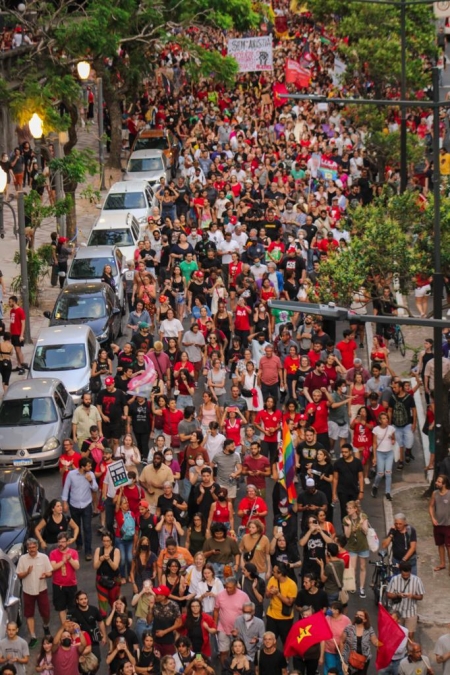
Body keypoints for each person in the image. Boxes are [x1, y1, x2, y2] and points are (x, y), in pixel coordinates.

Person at [16, 539, 53, 648]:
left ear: (37, 547)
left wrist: (46, 575)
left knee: (46, 613)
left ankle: (46, 626)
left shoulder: (44, 557)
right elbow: (19, 575)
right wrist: (27, 572)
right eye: (29, 548)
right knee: (29, 614)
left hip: (42, 589)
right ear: (27, 548)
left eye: (33, 547)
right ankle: (33, 636)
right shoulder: (23, 559)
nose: (31, 549)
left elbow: (50, 572)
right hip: (28, 590)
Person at [61, 457, 98, 561]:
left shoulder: (90, 474)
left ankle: (88, 551)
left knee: (87, 528)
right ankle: (79, 544)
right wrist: (64, 503)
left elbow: (95, 488)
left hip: (86, 505)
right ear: (82, 467)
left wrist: (90, 481)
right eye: (88, 466)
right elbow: (66, 488)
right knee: (76, 527)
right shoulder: (71, 474)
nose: (90, 467)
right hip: (74, 505)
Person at [213, 577, 249, 665]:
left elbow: (248, 612)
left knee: (239, 652)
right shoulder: (220, 595)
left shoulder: (243, 596)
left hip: (239, 630)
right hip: (223, 628)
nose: (228, 589)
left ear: (236, 586)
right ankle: (225, 671)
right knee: (223, 652)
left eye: (230, 588)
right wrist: (215, 625)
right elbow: (216, 610)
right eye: (226, 587)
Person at [386, 562, 425, 639]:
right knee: (396, 635)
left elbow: (420, 597)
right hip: (397, 611)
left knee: (410, 636)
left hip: (411, 611)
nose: (406, 577)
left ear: (410, 572)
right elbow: (388, 594)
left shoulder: (417, 580)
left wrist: (412, 596)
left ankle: (410, 650)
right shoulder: (394, 579)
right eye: (404, 575)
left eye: (407, 575)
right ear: (400, 572)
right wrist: (397, 595)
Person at [49, 532, 80, 623]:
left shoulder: (73, 553)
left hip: (71, 584)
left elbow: (77, 567)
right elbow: (53, 567)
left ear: (67, 542)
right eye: (59, 542)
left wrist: (70, 559)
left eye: (63, 542)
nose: (60, 544)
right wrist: (62, 561)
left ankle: (70, 623)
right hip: (58, 585)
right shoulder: (53, 553)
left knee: (72, 607)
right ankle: (64, 627)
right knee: (61, 608)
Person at [70, 590, 107, 665]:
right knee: (82, 662)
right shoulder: (74, 613)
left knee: (97, 660)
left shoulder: (94, 609)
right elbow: (72, 628)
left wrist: (104, 636)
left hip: (93, 639)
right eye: (81, 599)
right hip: (82, 641)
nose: (84, 601)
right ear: (77, 601)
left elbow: (100, 622)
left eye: (85, 598)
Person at [343, 500, 369, 599]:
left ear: (355, 509)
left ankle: (361, 588)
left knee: (362, 567)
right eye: (347, 508)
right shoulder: (346, 519)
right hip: (352, 547)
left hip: (363, 546)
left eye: (350, 508)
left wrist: (362, 524)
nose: (348, 510)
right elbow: (347, 535)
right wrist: (349, 525)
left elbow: (366, 532)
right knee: (352, 568)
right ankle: (353, 583)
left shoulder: (363, 516)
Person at [388, 379, 416, 470]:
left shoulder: (409, 397)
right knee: (399, 444)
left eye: (395, 387)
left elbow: (414, 410)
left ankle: (407, 452)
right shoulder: (392, 398)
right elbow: (390, 411)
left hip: (407, 424)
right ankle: (401, 461)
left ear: (400, 388)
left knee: (409, 443)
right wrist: (389, 425)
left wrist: (414, 423)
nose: (394, 389)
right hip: (396, 425)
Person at [265, 563, 297, 643]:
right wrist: (270, 593)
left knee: (286, 642)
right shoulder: (272, 579)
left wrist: (278, 594)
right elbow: (267, 596)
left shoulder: (292, 585)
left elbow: (289, 603)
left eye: (274, 572)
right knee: (270, 641)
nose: (272, 573)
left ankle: (286, 656)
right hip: (271, 616)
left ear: (280, 574)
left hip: (285, 619)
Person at [332, 444, 364, 520]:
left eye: (346, 452)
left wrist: (361, 491)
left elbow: (360, 477)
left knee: (355, 510)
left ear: (350, 452)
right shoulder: (337, 463)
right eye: (342, 452)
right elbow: (335, 479)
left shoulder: (357, 462)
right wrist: (333, 493)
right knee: (344, 511)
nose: (344, 454)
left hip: (354, 490)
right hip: (342, 491)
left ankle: (354, 529)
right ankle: (345, 530)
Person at [146, 585, 181, 656]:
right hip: (155, 639)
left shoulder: (174, 605)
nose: (155, 595)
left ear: (163, 596)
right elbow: (149, 621)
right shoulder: (154, 604)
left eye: (157, 594)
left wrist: (164, 632)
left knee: (168, 661)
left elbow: (179, 623)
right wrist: (150, 608)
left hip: (169, 640)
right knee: (155, 661)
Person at [93, 531, 121, 618]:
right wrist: (100, 560)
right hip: (101, 579)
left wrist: (108, 559)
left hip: (114, 579)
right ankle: (104, 621)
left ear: (111, 541)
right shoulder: (98, 550)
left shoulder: (116, 551)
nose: (106, 543)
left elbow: (115, 567)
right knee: (102, 603)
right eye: (104, 541)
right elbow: (95, 566)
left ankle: (117, 620)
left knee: (115, 602)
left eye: (107, 541)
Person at [341, 610, 379, 675]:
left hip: (363, 660)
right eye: (357, 614)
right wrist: (342, 657)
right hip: (350, 659)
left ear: (365, 620)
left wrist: (381, 645)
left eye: (361, 615)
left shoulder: (369, 629)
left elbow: (375, 641)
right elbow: (342, 641)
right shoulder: (348, 628)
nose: (358, 616)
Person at [372, 411, 396, 501]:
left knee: (388, 473)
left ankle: (388, 492)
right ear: (380, 420)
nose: (386, 420)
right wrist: (374, 457)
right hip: (380, 453)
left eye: (386, 418)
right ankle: (375, 485)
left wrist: (393, 440)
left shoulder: (391, 428)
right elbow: (374, 444)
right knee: (380, 473)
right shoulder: (376, 430)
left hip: (389, 452)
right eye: (384, 418)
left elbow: (394, 438)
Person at [429, 474, 450, 573]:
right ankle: (442, 563)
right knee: (440, 544)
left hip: (448, 525)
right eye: (437, 481)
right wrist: (432, 518)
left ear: (444, 484)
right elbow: (431, 506)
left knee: (449, 546)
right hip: (437, 524)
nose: (436, 483)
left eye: (439, 482)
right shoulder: (435, 493)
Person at [324, 602, 351, 675]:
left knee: (340, 669)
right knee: (331, 669)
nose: (329, 610)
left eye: (331, 608)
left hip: (341, 651)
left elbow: (350, 634)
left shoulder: (346, 620)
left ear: (337, 611)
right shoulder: (327, 618)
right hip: (328, 650)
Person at [378, 611, 408, 675]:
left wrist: (387, 648)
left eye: (393, 619)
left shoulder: (404, 631)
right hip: (385, 660)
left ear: (398, 620)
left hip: (398, 662)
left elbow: (400, 650)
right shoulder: (384, 629)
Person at [8, 296, 26, 373]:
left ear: (14, 302)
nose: (9, 303)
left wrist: (21, 335)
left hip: (18, 333)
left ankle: (22, 366)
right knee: (16, 350)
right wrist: (9, 333)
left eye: (10, 302)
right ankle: (19, 365)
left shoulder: (20, 311)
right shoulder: (11, 311)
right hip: (13, 333)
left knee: (19, 351)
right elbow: (11, 322)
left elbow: (23, 323)